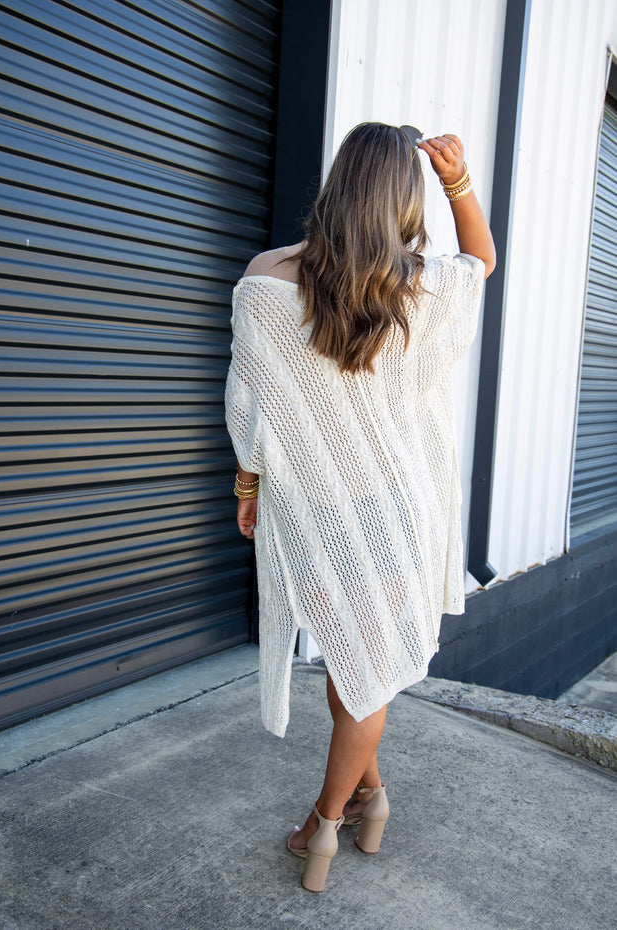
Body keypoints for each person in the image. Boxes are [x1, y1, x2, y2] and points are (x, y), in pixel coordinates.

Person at [225, 122, 495, 892]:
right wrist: (457, 182)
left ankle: (325, 823)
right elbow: (482, 262)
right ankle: (367, 801)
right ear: (402, 201)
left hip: (320, 511)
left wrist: (248, 487)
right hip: (397, 509)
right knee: (359, 663)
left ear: (337, 185)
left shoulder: (267, 278)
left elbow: (251, 407)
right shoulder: (423, 286)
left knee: (358, 665)